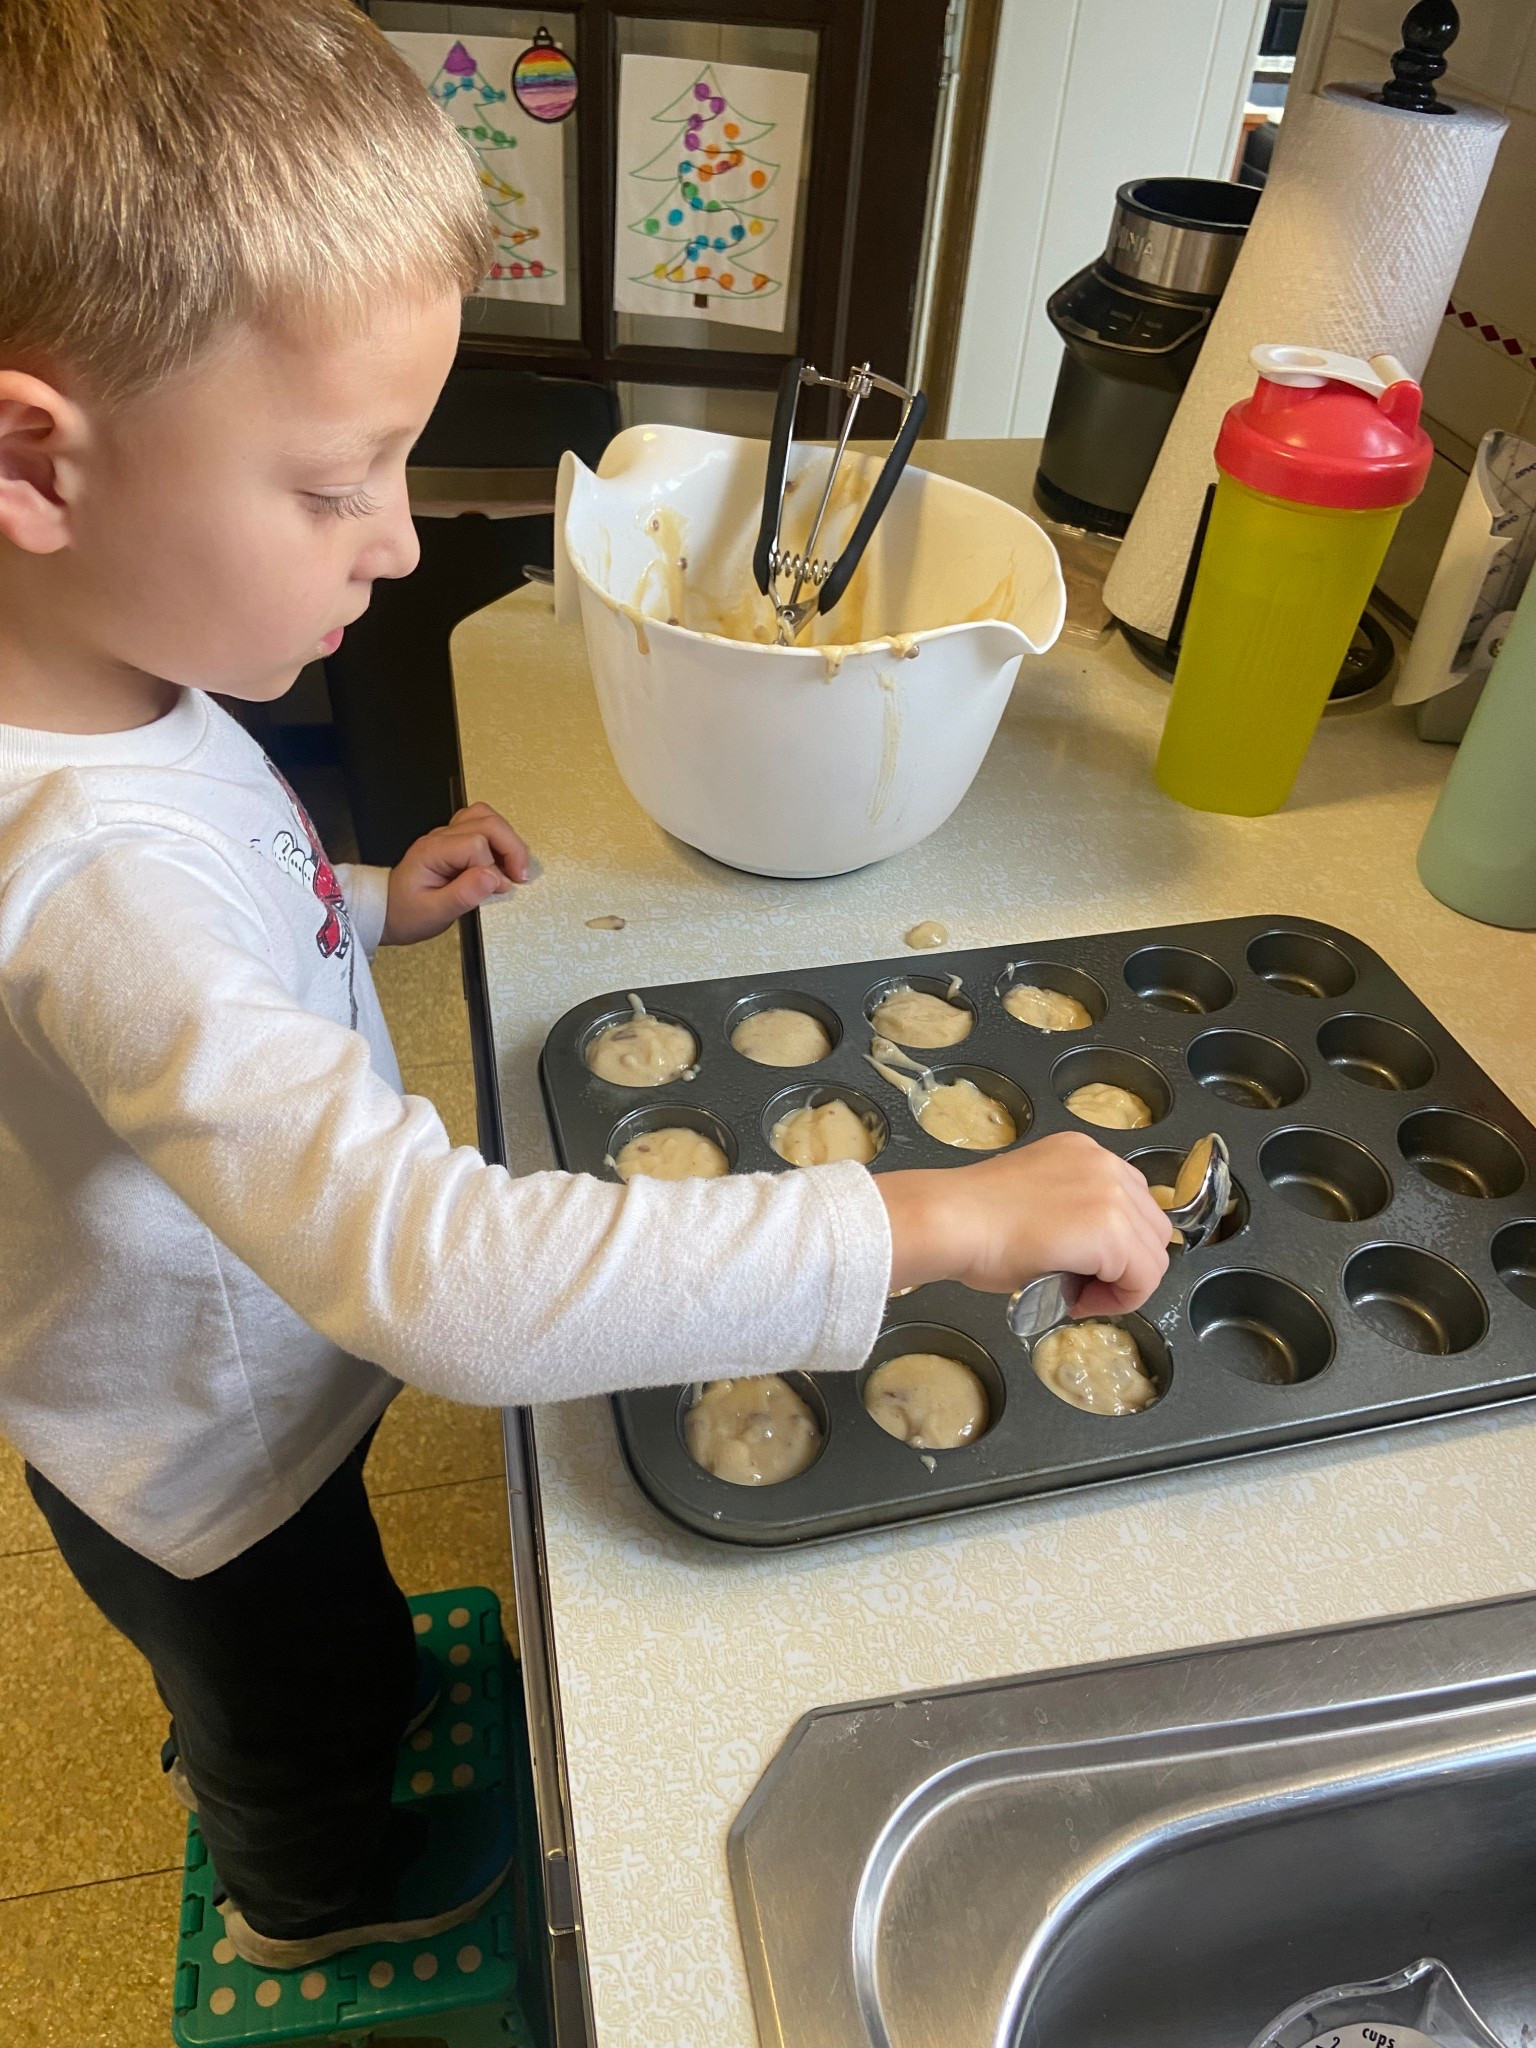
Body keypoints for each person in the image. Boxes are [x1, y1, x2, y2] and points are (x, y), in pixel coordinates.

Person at [0, 0, 1172, 1974]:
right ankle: (311, 1903)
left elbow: (172, 960)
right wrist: (935, 1217)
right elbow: (441, 1274)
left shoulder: (106, 687)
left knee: (338, 1634)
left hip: (243, 1353)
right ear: (36, 460)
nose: (398, 543)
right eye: (339, 483)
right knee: (290, 1698)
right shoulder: (94, 875)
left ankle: (321, 1743)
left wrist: (362, 901)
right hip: (195, 1451)